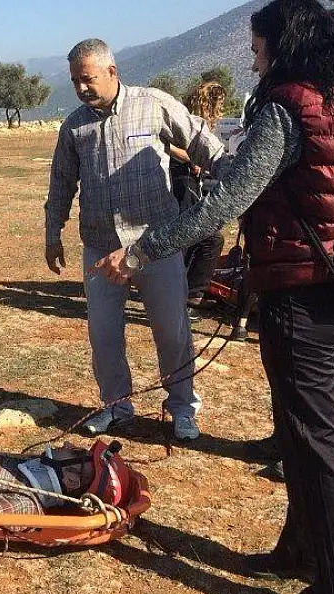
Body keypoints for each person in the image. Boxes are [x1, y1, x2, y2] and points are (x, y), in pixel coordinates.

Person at [94, 1, 334, 594]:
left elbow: (230, 194)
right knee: (302, 431)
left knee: (316, 443)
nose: (253, 56)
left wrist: (142, 250)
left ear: (283, 45)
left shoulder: (289, 105)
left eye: (257, 46)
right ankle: (301, 554)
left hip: (302, 291)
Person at [44, 38, 226, 440]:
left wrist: (233, 172)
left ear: (112, 71)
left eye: (87, 79)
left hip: (155, 243)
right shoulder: (75, 125)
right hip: (99, 246)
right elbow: (61, 181)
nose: (81, 89)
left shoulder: (153, 104)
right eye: (75, 81)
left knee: (171, 330)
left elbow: (199, 138)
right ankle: (116, 406)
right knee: (104, 334)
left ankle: (182, 407)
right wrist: (52, 230)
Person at [171, 80, 228, 307]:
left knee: (199, 236)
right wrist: (193, 158)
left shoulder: (188, 119)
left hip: (189, 181)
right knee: (197, 236)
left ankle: (190, 291)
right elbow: (167, 145)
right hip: (181, 182)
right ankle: (188, 293)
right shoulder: (185, 121)